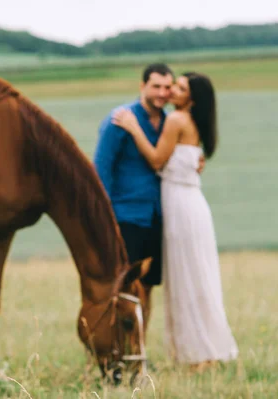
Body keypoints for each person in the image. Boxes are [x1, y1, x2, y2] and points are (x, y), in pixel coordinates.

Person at [112, 72, 239, 368]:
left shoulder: (176, 120)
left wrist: (133, 127)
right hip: (192, 205)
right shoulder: (195, 122)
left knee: (186, 280)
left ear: (191, 99)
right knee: (198, 277)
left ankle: (195, 355)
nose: (171, 92)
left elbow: (157, 160)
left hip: (181, 207)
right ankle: (204, 351)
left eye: (179, 88)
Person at [94, 63, 177, 302]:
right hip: (125, 215)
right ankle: (119, 340)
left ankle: (139, 341)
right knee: (124, 286)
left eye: (167, 87)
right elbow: (102, 169)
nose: (162, 93)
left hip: (157, 215)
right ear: (142, 86)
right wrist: (105, 218)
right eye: (156, 87)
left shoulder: (169, 123)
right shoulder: (119, 119)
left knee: (148, 285)